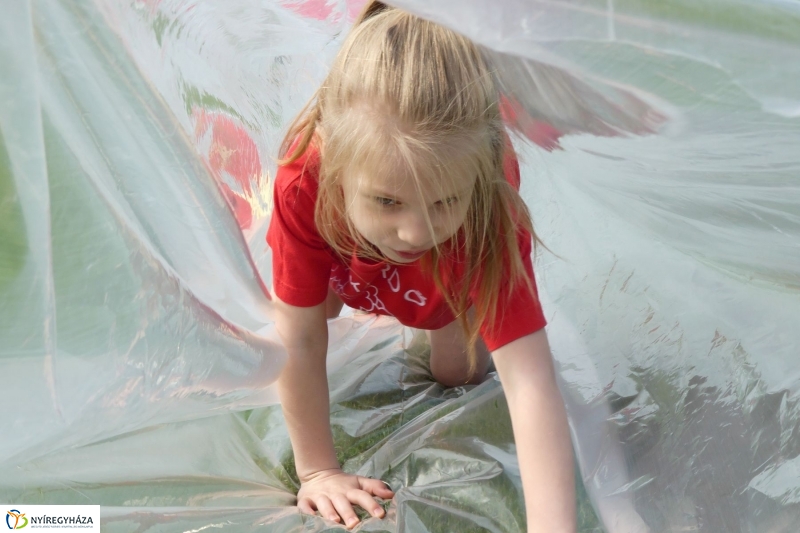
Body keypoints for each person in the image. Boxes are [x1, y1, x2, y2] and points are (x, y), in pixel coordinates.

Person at [266, 2, 576, 531]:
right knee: (315, 317)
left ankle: (451, 312)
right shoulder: (303, 180)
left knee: (456, 374)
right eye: (389, 201)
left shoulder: (489, 208)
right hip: (343, 248)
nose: (416, 233)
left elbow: (530, 384)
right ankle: (362, 275)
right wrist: (317, 470)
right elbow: (299, 341)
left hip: (451, 269)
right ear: (336, 166)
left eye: (442, 201)